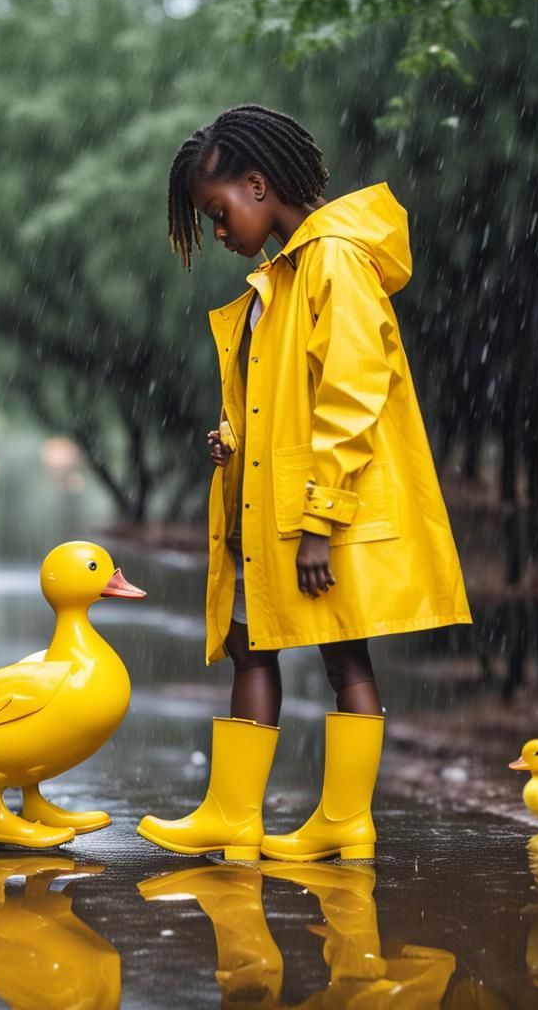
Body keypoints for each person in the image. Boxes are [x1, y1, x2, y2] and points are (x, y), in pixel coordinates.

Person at [137, 105, 472, 862]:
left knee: (343, 657)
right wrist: (239, 442)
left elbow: (353, 395)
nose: (218, 232)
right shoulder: (288, 272)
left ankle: (345, 819)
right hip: (282, 503)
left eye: (219, 213)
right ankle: (233, 813)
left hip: (320, 510)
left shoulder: (334, 262)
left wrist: (322, 519)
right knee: (252, 644)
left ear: (257, 184)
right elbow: (290, 396)